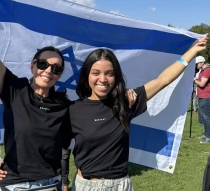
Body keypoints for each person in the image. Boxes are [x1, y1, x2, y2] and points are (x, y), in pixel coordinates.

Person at [70, 35, 208, 191]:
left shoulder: (124, 103)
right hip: (86, 186)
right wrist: (64, 181)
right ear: (86, 75)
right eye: (96, 73)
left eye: (109, 73)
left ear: (116, 77)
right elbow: (59, 149)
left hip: (120, 185)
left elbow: (163, 80)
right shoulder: (73, 110)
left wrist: (192, 52)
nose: (103, 79)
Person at [0, 20, 72, 191]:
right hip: (16, 184)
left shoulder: (64, 105)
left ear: (59, 75)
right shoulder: (15, 89)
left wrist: (124, 92)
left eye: (56, 68)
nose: (49, 71)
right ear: (32, 66)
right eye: (43, 64)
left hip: (51, 184)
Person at [194, 56, 210, 143]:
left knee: (207, 117)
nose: (196, 65)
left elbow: (202, 84)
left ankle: (209, 136)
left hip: (206, 97)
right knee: (204, 117)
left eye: (197, 64)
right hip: (202, 96)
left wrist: (194, 80)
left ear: (201, 62)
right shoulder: (202, 71)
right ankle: (206, 133)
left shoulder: (207, 71)